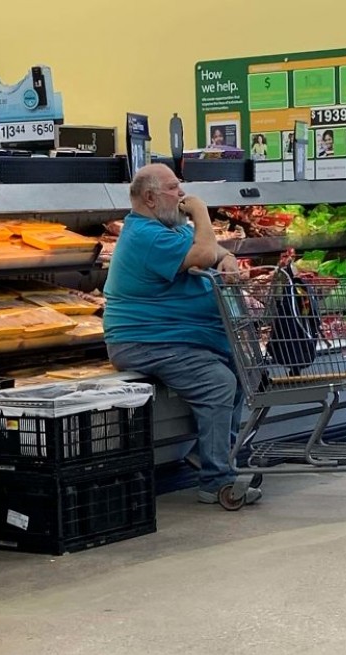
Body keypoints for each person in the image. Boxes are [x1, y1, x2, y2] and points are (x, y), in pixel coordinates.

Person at [102, 163, 262, 506]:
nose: (182, 195)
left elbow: (211, 252)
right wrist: (201, 211)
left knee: (237, 371)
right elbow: (203, 251)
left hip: (179, 337)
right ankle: (216, 481)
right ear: (149, 197)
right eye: (174, 188)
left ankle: (209, 457)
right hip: (146, 341)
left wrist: (228, 258)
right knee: (219, 382)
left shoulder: (167, 228)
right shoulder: (146, 235)